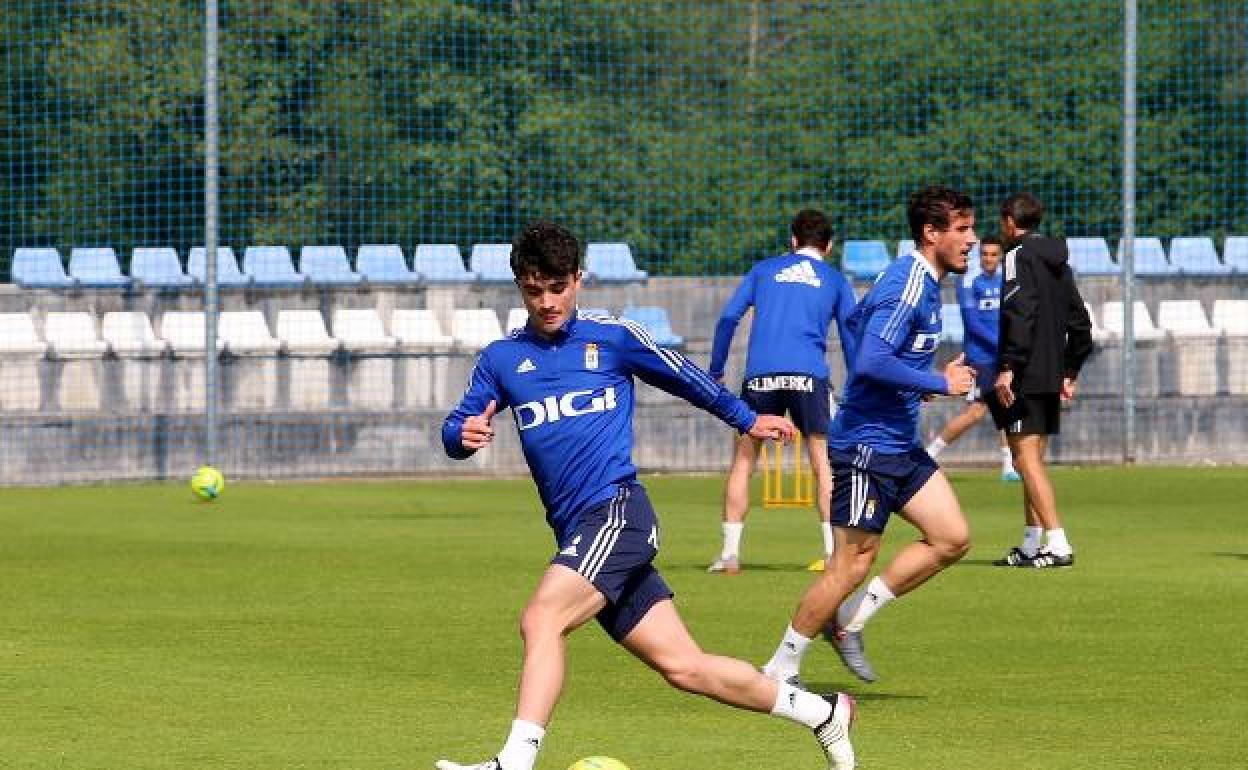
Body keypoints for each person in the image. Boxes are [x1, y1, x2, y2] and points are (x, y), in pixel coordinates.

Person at [436, 221, 856, 770]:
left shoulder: (612, 338)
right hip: (582, 532)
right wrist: (460, 436)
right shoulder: (501, 359)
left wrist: (747, 417)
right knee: (686, 667)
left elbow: (685, 376)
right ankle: (822, 713)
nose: (547, 302)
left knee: (541, 619)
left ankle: (514, 763)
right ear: (519, 286)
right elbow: (459, 421)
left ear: (578, 280)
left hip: (617, 512)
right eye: (534, 290)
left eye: (557, 287)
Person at [760, 186, 977, 687]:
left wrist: (913, 383)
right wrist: (935, 382)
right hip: (865, 447)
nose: (971, 239)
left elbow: (863, 332)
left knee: (952, 538)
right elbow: (871, 359)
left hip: (899, 443)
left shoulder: (923, 284)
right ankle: (780, 666)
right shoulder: (908, 283)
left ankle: (849, 618)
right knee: (848, 566)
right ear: (931, 233)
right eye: (962, 229)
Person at [706, 209, 858, 574]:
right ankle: (832, 555)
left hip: (761, 375)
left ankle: (729, 554)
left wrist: (715, 369)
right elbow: (853, 335)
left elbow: (728, 318)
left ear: (792, 241)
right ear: (830, 245)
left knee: (744, 461)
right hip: (809, 376)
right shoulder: (835, 280)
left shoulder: (763, 270)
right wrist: (855, 386)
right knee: (823, 464)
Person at [986, 193, 1093, 568]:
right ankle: (1032, 544)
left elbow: (1020, 312)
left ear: (1010, 223)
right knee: (1027, 460)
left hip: (1026, 374)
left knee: (1026, 461)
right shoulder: (1058, 262)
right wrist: (1070, 370)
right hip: (1049, 374)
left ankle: (1058, 543)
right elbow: (1080, 321)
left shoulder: (1017, 256)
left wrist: (1009, 367)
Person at [925, 235, 1021, 481]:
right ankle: (930, 453)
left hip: (1001, 357)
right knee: (975, 413)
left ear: (1000, 257)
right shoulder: (968, 282)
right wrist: (1004, 347)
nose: (988, 259)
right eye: (984, 254)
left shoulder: (1007, 282)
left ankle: (1009, 465)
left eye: (993, 254)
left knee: (1006, 407)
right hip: (981, 357)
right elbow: (973, 324)